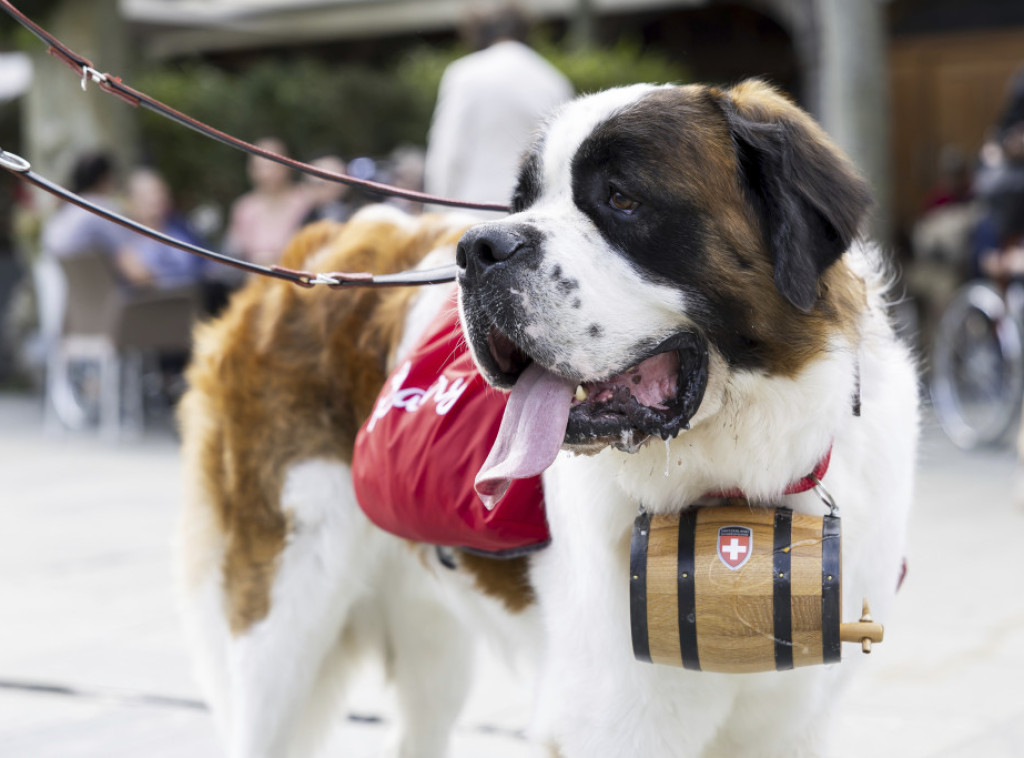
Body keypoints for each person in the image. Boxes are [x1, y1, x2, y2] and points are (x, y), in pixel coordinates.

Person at [423, 3, 573, 217]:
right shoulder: (552, 78)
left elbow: (448, 153)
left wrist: (435, 211)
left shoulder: (465, 73)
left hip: (469, 211)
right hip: (529, 211)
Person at [224, 137, 313, 266]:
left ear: (288, 164)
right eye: (260, 167)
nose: (267, 173)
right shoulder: (244, 207)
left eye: (273, 165)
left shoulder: (307, 199)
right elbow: (234, 252)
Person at [123, 167, 206, 290]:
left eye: (160, 191)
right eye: (149, 193)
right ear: (133, 201)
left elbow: (206, 266)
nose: (157, 197)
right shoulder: (126, 242)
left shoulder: (183, 228)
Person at [300, 155, 354, 225]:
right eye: (311, 184)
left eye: (321, 184)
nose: (316, 190)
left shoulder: (358, 215)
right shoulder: (301, 215)